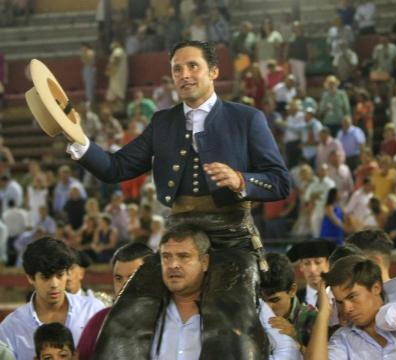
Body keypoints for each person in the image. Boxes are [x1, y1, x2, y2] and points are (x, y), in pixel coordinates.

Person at [61, 40, 289, 359]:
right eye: (177, 69)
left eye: (193, 66)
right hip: (177, 242)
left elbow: (280, 182)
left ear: (214, 72)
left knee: (229, 326)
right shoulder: (162, 122)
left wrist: (241, 180)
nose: (184, 75)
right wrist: (78, 139)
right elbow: (116, 168)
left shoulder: (246, 118)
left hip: (231, 239)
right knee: (123, 320)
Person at [151, 225, 301, 359]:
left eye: (184, 256)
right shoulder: (148, 308)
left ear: (204, 262)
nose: (173, 265)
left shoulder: (242, 303)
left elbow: (288, 350)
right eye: (166, 257)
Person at [305, 255, 396, 359]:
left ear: (376, 288)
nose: (347, 309)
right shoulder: (343, 339)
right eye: (340, 302)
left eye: (352, 297)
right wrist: (323, 313)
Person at [0, 238, 105, 360]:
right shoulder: (11, 327)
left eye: (60, 275)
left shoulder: (93, 311)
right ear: (30, 278)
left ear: (67, 274)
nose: (54, 284)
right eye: (46, 277)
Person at [76, 243, 153, 360]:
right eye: (118, 278)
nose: (124, 286)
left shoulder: (168, 321)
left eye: (133, 277)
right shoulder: (99, 322)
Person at [260, 253, 318, 351]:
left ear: (292, 290)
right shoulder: (251, 318)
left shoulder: (312, 319)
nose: (267, 308)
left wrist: (295, 338)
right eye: (261, 301)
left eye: (274, 300)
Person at [286, 240, 336, 307]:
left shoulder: (338, 295)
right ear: (301, 266)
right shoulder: (294, 300)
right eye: (307, 263)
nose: (312, 269)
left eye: (318, 262)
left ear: (328, 264)